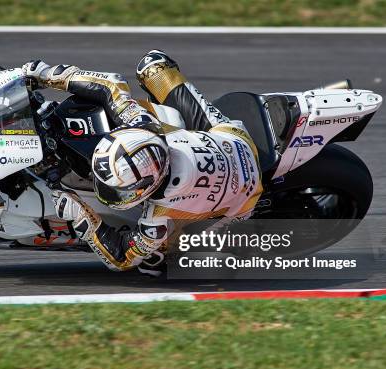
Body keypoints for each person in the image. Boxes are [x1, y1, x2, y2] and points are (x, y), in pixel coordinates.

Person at [23, 50, 263, 276]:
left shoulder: (158, 216)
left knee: (154, 262)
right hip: (231, 139)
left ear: (147, 187)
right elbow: (109, 85)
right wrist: (50, 75)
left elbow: (122, 258)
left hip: (243, 201)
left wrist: (83, 217)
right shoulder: (143, 124)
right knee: (153, 65)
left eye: (119, 191)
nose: (106, 190)